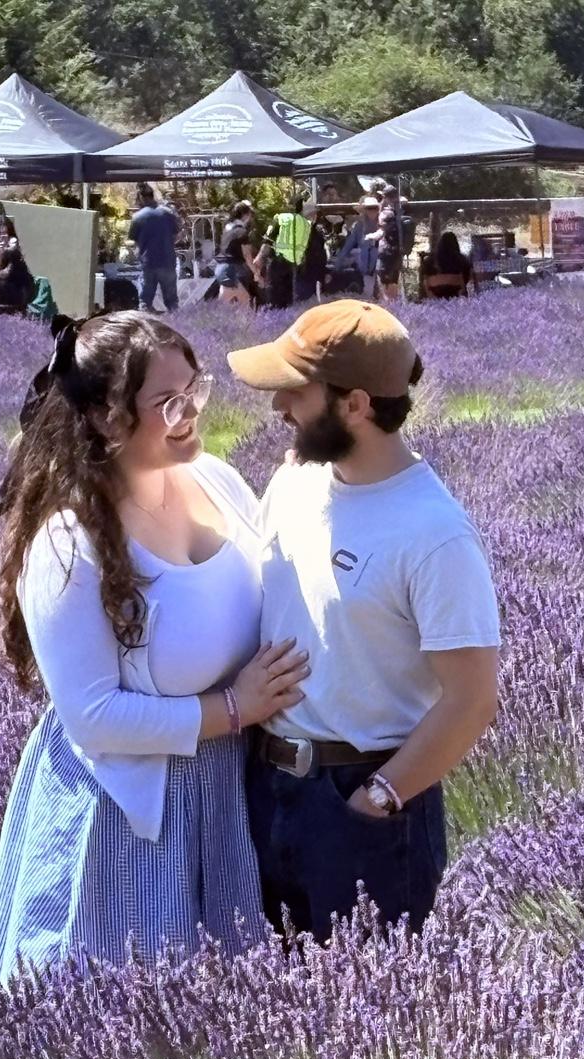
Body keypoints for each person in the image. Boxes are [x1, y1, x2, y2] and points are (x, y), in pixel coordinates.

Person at [0, 313, 311, 985]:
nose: (189, 413)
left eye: (196, 390)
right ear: (105, 417)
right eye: (167, 402)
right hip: (128, 818)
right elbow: (94, 716)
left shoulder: (217, 481)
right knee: (112, 1028)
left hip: (228, 798)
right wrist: (233, 709)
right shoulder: (71, 543)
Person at [226, 301, 500, 943]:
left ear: (354, 404)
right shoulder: (294, 484)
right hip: (263, 789)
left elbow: (472, 700)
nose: (277, 409)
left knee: (372, 1014)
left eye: (295, 391)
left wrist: (375, 801)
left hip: (364, 801)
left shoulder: (434, 534)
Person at [129, 183, 180, 314]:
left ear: (140, 197)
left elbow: (134, 241)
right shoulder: (168, 214)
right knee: (172, 303)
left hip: (148, 263)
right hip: (167, 261)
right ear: (152, 195)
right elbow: (176, 235)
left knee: (145, 302)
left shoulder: (137, 217)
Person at [262, 194, 313, 311]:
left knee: (274, 297)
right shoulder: (306, 224)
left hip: (277, 262)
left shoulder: (281, 218)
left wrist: (259, 258)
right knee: (287, 298)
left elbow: (268, 241)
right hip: (294, 265)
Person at [212, 202, 259, 307]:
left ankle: (216, 322)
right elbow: (247, 256)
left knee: (225, 304)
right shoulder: (241, 231)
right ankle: (246, 323)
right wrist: (256, 273)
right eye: (250, 215)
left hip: (221, 269)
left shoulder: (227, 229)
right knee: (245, 302)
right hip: (230, 270)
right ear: (245, 215)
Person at [335, 197, 383, 299]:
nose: (372, 211)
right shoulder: (359, 226)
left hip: (381, 265)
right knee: (368, 294)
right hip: (365, 266)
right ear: (365, 210)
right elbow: (348, 246)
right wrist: (338, 264)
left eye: (374, 208)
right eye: (369, 208)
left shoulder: (383, 224)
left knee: (382, 295)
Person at [420, 231, 471, 299]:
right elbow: (466, 279)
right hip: (455, 294)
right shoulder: (461, 259)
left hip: (434, 294)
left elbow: (424, 278)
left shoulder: (429, 260)